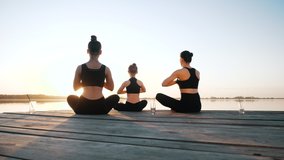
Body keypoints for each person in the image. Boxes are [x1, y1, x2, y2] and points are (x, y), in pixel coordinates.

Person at [67, 35, 119, 114]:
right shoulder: (106, 69)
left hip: (82, 108)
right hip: (101, 108)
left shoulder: (80, 68)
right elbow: (111, 88)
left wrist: (86, 81)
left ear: (88, 51)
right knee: (116, 97)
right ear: (100, 52)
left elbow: (75, 87)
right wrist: (100, 82)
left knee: (70, 98)